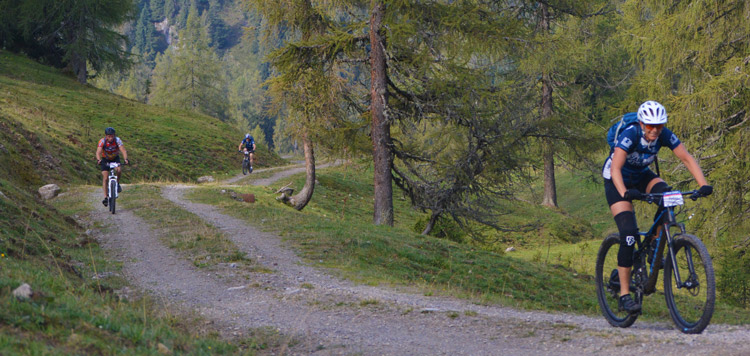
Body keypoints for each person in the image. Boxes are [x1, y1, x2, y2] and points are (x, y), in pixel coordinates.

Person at [601, 100, 712, 314]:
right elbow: (615, 168)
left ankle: (654, 246)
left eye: (659, 125)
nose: (654, 130)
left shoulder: (664, 135)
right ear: (642, 123)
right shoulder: (631, 135)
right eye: (650, 125)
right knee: (629, 234)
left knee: (668, 197)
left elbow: (686, 158)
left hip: (642, 176)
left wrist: (703, 185)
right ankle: (624, 294)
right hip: (617, 181)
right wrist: (624, 192)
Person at [96, 127, 129, 206]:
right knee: (105, 178)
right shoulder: (102, 141)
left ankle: (117, 183)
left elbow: (123, 150)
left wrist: (126, 159)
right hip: (105, 159)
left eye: (112, 136)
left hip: (115, 158)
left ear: (114, 135)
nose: (110, 138)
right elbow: (98, 152)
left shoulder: (117, 140)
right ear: (106, 136)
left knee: (119, 170)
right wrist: (98, 160)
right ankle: (105, 198)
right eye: (109, 136)